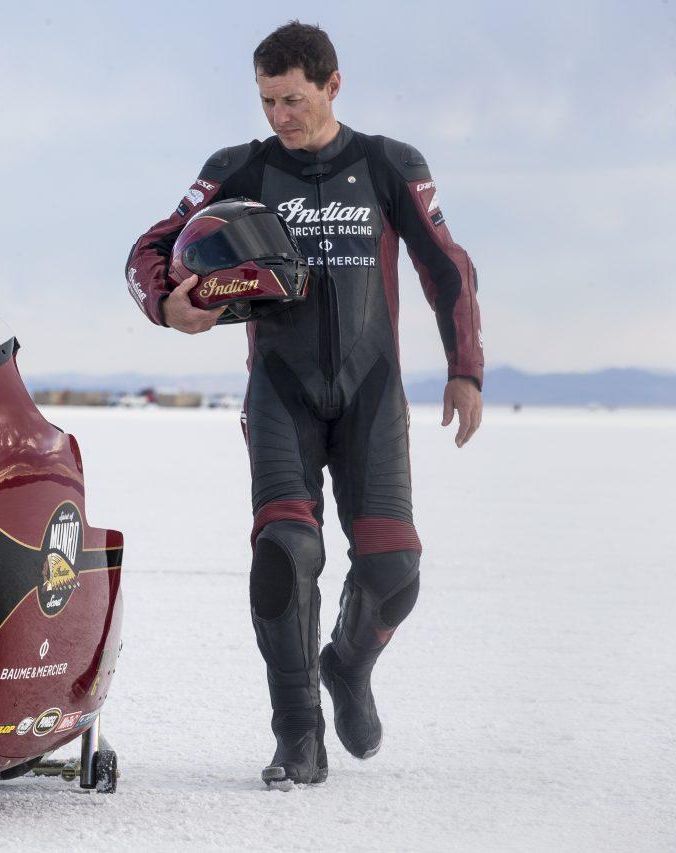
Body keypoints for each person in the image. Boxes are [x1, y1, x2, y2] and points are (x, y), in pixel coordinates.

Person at [124, 21, 483, 786]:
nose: (279, 116)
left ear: (332, 85)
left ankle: (347, 665)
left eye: (292, 99)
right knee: (285, 556)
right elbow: (149, 249)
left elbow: (447, 268)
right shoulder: (241, 168)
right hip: (280, 394)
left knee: (394, 569)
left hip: (371, 395)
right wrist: (167, 302)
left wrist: (466, 369)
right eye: (267, 101)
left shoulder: (388, 164)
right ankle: (297, 735)